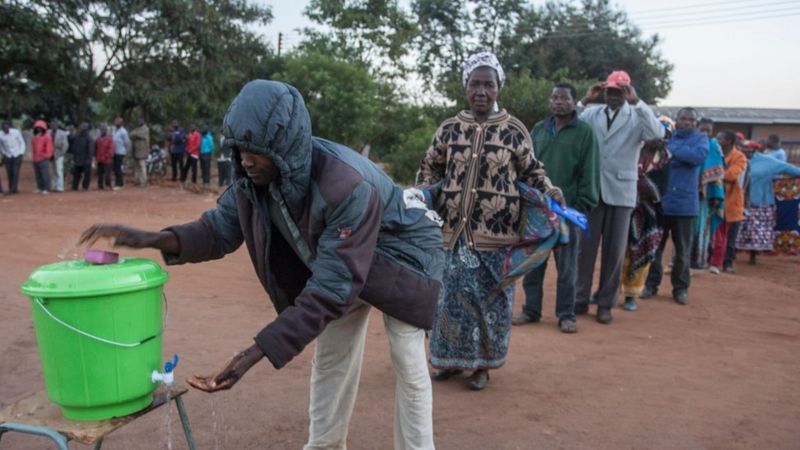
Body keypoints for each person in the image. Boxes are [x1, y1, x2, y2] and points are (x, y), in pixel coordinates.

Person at [79, 79, 443, 450]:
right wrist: (150, 238)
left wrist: (251, 355)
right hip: (344, 260)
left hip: (403, 257)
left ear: (284, 146)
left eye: (255, 150)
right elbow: (217, 229)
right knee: (332, 357)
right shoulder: (255, 181)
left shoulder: (345, 186)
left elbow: (332, 289)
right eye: (239, 149)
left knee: (407, 358)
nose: (245, 160)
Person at [417, 52, 563, 389]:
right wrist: (424, 192)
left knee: (489, 302)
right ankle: (449, 361)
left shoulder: (513, 131)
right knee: (450, 299)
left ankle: (482, 365)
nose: (481, 90)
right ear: (465, 86)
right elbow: (430, 166)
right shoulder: (450, 128)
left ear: (499, 88)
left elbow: (531, 170)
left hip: (496, 235)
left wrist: (550, 190)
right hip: (452, 232)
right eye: (475, 83)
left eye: (489, 84)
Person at [574, 70, 665, 323]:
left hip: (622, 192)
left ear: (627, 93)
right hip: (594, 191)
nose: (613, 96)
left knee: (614, 252)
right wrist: (585, 99)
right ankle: (580, 299)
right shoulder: (592, 113)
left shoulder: (637, 116)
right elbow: (570, 121)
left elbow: (657, 134)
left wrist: (638, 103)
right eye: (610, 91)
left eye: (619, 92)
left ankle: (605, 303)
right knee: (585, 250)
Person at [512, 82, 599, 333]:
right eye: (554, 98)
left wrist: (580, 206)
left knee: (567, 267)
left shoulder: (584, 132)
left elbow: (590, 172)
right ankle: (531, 309)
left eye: (564, 98)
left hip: (568, 212)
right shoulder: (539, 130)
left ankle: (566, 314)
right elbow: (525, 167)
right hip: (537, 211)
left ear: (574, 102)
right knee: (534, 263)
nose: (559, 102)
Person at [639, 108, 708, 305]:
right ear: (676, 120)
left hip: (685, 205)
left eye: (691, 119)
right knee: (655, 249)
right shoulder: (666, 137)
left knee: (682, 250)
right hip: (661, 202)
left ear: (696, 122)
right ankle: (651, 285)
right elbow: (654, 161)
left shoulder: (700, 139)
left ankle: (680, 288)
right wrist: (674, 153)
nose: (686, 122)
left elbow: (697, 157)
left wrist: (671, 150)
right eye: (683, 119)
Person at [619, 117, 673, 311]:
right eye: (656, 133)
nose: (659, 139)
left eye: (664, 136)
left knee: (641, 251)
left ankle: (631, 295)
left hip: (649, 213)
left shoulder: (666, 159)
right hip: (623, 205)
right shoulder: (631, 151)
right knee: (615, 252)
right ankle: (606, 291)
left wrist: (638, 182)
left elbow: (661, 190)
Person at [735, 144, 800, 264]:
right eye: (742, 148)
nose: (744, 151)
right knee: (736, 229)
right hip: (736, 201)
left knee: (756, 230)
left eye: (747, 149)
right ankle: (731, 255)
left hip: (759, 202)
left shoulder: (768, 162)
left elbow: (790, 169)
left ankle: (753, 255)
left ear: (755, 150)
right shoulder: (734, 158)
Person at [708, 130, 747, 274]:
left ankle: (727, 263)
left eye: (720, 138)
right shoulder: (714, 153)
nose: (716, 140)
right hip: (714, 199)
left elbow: (731, 175)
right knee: (713, 232)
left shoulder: (739, 157)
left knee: (729, 236)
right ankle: (711, 260)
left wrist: (710, 174)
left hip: (731, 202)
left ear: (729, 142)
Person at [690, 118, 725, 270]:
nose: (705, 133)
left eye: (708, 130)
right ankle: (680, 259)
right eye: (702, 129)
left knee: (702, 226)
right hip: (688, 192)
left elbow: (718, 173)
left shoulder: (714, 146)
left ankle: (698, 260)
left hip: (705, 196)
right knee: (685, 228)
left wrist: (716, 195)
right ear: (696, 128)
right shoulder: (690, 142)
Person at [0, 121, 25, 195]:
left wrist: (21, 153)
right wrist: (4, 153)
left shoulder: (16, 132)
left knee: (15, 172)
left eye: (7, 128)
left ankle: (13, 188)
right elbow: (1, 145)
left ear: (9, 127)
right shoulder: (0, 134)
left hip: (17, 154)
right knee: (9, 172)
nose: (6, 130)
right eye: (4, 129)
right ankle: (11, 187)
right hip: (7, 155)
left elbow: (22, 142)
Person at [31, 120, 53, 195]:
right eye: (37, 127)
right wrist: (34, 158)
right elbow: (33, 148)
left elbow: (49, 148)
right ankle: (40, 187)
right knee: (38, 174)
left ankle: (46, 188)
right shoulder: (34, 137)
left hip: (43, 159)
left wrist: (46, 156)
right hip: (36, 158)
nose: (38, 129)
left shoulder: (47, 136)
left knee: (45, 174)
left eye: (40, 127)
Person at [69, 122, 93, 191]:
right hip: (77, 158)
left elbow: (90, 149)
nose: (82, 128)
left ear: (86, 128)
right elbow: (71, 141)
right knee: (76, 174)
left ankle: (85, 187)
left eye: (84, 126)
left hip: (86, 159)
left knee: (86, 174)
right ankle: (74, 186)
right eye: (81, 126)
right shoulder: (77, 136)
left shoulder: (89, 138)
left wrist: (89, 158)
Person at [49, 119, 70, 193]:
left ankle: (60, 187)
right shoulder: (49, 133)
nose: (53, 126)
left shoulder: (62, 133)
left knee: (59, 170)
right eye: (52, 125)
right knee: (52, 171)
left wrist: (61, 154)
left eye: (55, 125)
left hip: (59, 154)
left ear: (57, 126)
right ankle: (53, 186)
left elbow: (65, 144)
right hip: (50, 154)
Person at [130, 117, 150, 187]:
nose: (139, 122)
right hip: (136, 150)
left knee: (142, 166)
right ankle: (137, 181)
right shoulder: (137, 129)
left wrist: (136, 134)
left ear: (143, 121)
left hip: (142, 150)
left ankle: (143, 182)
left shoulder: (146, 129)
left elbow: (140, 135)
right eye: (138, 120)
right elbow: (131, 134)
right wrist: (136, 134)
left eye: (140, 120)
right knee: (136, 166)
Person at [112, 116, 131, 190]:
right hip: (114, 152)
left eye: (118, 121)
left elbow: (126, 142)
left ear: (121, 123)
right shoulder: (113, 130)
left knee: (118, 168)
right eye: (115, 121)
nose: (116, 122)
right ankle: (118, 183)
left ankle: (119, 184)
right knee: (115, 168)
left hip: (120, 152)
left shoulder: (123, 131)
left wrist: (125, 151)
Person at [94, 124, 114, 190]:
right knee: (100, 173)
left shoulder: (109, 139)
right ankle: (100, 185)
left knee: (107, 173)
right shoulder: (98, 139)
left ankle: (108, 185)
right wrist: (96, 157)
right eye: (101, 129)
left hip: (107, 159)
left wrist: (107, 156)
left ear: (106, 131)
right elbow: (96, 148)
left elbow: (111, 149)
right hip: (99, 159)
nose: (102, 131)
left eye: (104, 130)